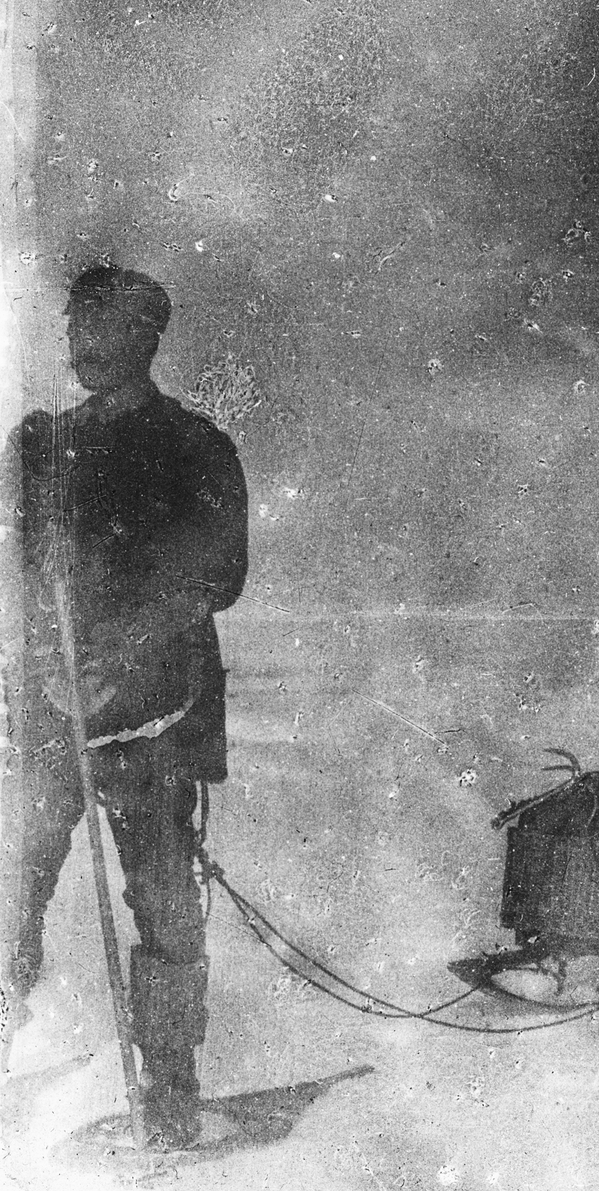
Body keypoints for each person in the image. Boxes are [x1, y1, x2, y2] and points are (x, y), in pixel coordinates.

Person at [0, 265, 248, 1148]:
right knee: (11, 889)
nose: (81, 343)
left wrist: (110, 662)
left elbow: (216, 578)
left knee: (165, 905)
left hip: (154, 717)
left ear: (148, 337)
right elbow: (13, 572)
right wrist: (42, 657)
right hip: (48, 712)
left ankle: (172, 1091)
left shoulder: (194, 447)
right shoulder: (38, 447)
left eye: (102, 325)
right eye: (75, 325)